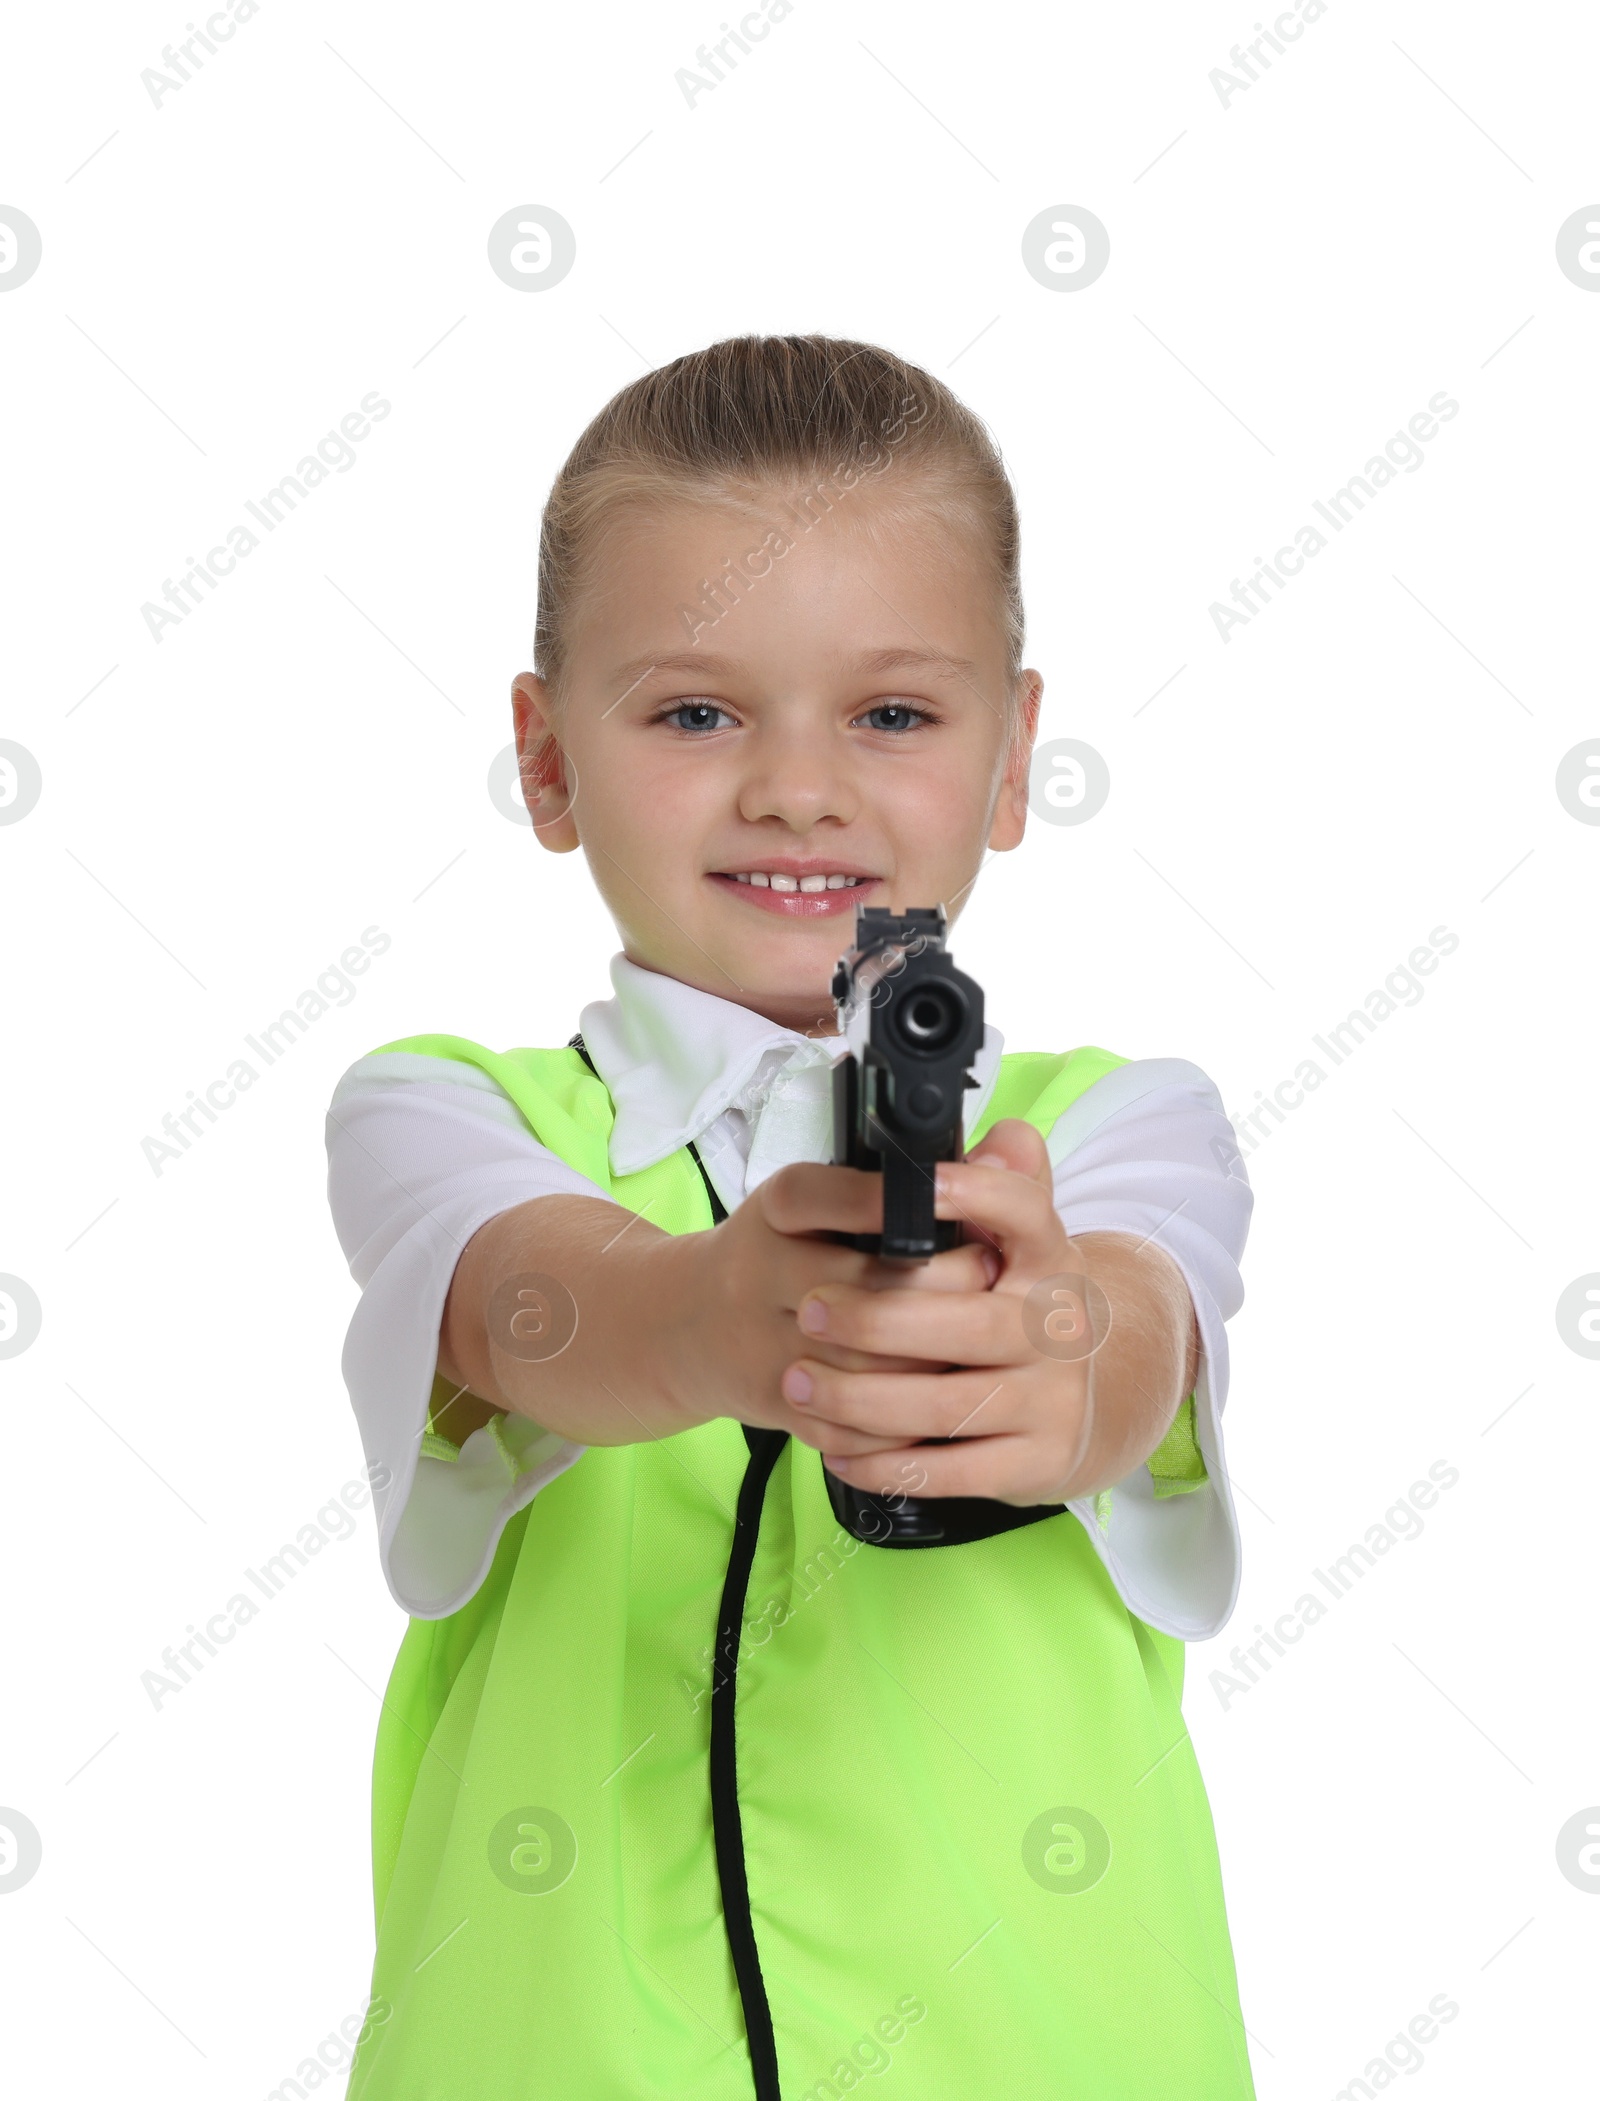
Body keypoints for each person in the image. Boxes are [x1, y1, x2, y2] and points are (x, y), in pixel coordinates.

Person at [325, 334, 1258, 2097]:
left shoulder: (1117, 1127)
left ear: (1013, 756)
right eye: (695, 710)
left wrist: (1058, 1360)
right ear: (545, 760)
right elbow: (531, 1296)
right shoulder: (445, 1111)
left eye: (894, 713)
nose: (799, 788)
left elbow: (1137, 1328)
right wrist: (708, 1320)